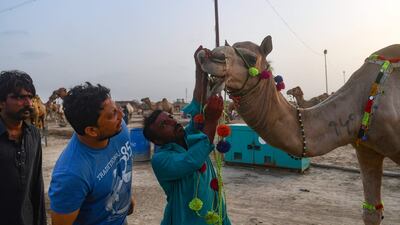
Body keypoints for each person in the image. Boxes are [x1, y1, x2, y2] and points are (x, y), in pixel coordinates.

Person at [142, 46, 231, 225]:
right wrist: (212, 122)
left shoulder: (189, 137)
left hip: (215, 214)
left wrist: (199, 67)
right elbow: (192, 160)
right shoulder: (161, 160)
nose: (172, 122)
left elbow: (198, 105)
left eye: (170, 118)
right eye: (163, 125)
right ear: (158, 140)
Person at [48, 82, 134, 225]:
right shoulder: (71, 175)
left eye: (117, 108)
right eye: (112, 114)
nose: (121, 114)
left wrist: (127, 197)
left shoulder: (119, 129)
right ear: (92, 131)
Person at [0, 70, 46, 225]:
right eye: (19, 97)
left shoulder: (33, 134)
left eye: (30, 97)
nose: (28, 103)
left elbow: (37, 185)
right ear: (1, 102)